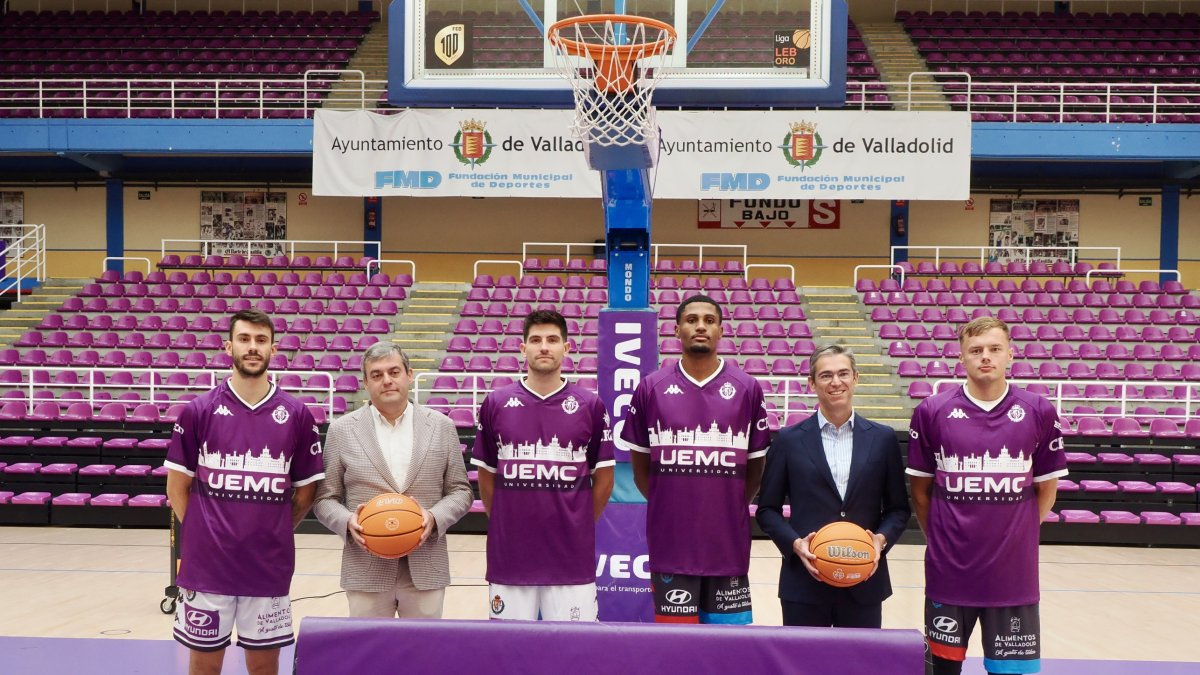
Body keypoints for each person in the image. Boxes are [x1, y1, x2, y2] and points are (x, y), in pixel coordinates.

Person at [164, 309, 324, 675]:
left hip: (267, 566)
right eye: (245, 339)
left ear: (274, 349)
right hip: (207, 569)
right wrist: (207, 533)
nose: (253, 348)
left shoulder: (297, 415)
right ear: (228, 346)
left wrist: (275, 528)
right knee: (203, 667)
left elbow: (305, 494)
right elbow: (177, 488)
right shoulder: (198, 411)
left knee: (264, 668)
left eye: (261, 340)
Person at [907, 317, 1067, 675]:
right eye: (975, 350)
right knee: (941, 672)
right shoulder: (932, 411)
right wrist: (943, 541)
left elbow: (1047, 490)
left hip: (1013, 576)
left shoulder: (1038, 410)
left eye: (995, 349)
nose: (986, 357)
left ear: (1010, 354)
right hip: (949, 575)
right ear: (961, 358)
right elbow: (920, 493)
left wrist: (1017, 533)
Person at [621, 294, 771, 624]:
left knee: (729, 653)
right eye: (691, 320)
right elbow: (641, 470)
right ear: (676, 330)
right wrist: (670, 502)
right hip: (671, 545)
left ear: (720, 330)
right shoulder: (651, 387)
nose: (700, 326)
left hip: (727, 547)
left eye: (708, 320)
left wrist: (727, 505)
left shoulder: (747, 388)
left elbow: (755, 468)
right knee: (676, 650)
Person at [472, 309, 614, 621]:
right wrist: (507, 522)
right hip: (511, 556)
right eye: (535, 340)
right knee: (509, 653)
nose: (544, 347)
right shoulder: (496, 403)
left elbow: (604, 480)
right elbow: (486, 479)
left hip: (570, 559)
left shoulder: (590, 405)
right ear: (523, 349)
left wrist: (576, 523)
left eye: (552, 340)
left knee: (574, 655)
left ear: (567, 347)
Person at [313, 343, 473, 619]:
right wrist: (346, 522)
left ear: (409, 375)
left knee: (425, 654)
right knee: (369, 656)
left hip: (425, 567)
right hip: (366, 567)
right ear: (365, 382)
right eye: (376, 375)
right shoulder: (342, 430)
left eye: (394, 371)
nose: (386, 380)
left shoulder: (441, 426)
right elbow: (324, 498)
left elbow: (461, 491)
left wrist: (434, 517)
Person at [756, 345, 910, 628]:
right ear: (812, 383)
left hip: (863, 579)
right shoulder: (789, 440)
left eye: (843, 374)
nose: (835, 382)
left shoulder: (883, 438)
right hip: (804, 580)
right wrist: (795, 544)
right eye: (826, 375)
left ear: (856, 378)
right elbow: (767, 510)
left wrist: (880, 541)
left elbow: (898, 510)